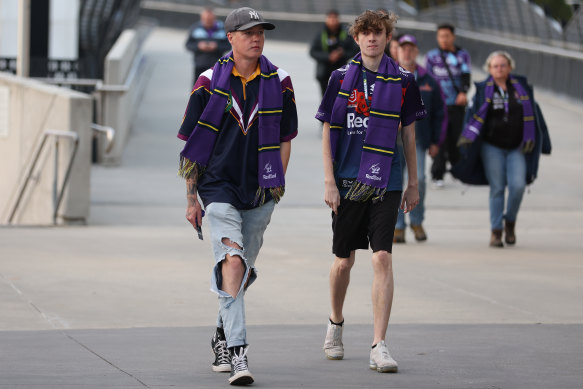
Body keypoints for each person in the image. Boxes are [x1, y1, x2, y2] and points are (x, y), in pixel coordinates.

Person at [177, 7, 298, 385]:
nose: (256, 38)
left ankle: (221, 333)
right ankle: (238, 354)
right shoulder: (208, 81)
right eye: (248, 32)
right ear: (230, 38)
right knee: (232, 261)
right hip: (217, 187)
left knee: (240, 270)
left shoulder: (280, 82)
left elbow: (285, 140)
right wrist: (191, 198)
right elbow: (192, 145)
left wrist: (274, 184)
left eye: (260, 31)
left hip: (260, 191)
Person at [315, 10, 426, 373]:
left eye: (378, 33)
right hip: (347, 179)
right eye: (366, 33)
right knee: (344, 260)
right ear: (357, 38)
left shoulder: (404, 80)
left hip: (387, 180)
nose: (372, 39)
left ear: (387, 37)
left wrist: (412, 182)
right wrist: (329, 180)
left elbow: (408, 133)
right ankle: (335, 321)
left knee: (381, 258)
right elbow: (328, 129)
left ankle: (379, 344)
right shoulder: (339, 77)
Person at [452, 51, 551, 247]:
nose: (499, 69)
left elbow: (536, 117)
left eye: (503, 65)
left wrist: (544, 143)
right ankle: (496, 231)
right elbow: (471, 116)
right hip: (491, 147)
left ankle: (510, 221)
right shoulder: (483, 90)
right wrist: (466, 142)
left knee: (518, 186)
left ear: (510, 67)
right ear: (489, 69)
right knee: (497, 188)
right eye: (495, 66)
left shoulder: (521, 88)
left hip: (517, 147)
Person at [394, 34, 447, 243]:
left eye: (411, 49)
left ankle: (416, 219)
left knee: (420, 181)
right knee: (396, 183)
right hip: (392, 141)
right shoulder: (385, 75)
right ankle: (398, 225)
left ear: (416, 52)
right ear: (396, 51)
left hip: (418, 140)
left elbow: (440, 113)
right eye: (403, 48)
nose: (407, 52)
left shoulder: (428, 80)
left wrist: (437, 142)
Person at [425, 23, 471, 188]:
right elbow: (427, 79)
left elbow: (466, 75)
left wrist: (463, 92)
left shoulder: (462, 55)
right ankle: (438, 174)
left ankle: (458, 170)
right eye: (440, 36)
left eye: (447, 36)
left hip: (456, 104)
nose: (443, 39)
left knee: (456, 139)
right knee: (439, 140)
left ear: (453, 37)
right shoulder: (431, 56)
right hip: (438, 105)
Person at [309, 9, 359, 97]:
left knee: (340, 98)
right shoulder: (320, 33)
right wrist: (328, 57)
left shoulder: (346, 33)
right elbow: (313, 51)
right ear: (326, 19)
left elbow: (355, 50)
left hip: (341, 72)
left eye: (335, 18)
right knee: (325, 98)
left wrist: (342, 54)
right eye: (330, 18)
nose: (333, 21)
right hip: (324, 73)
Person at [185, 8, 230, 86]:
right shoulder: (195, 28)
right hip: (200, 65)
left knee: (214, 90)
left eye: (210, 19)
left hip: (216, 66)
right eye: (206, 19)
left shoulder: (222, 29)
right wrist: (198, 46)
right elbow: (188, 45)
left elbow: (228, 46)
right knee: (197, 89)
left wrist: (217, 46)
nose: (208, 21)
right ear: (202, 18)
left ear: (214, 18)